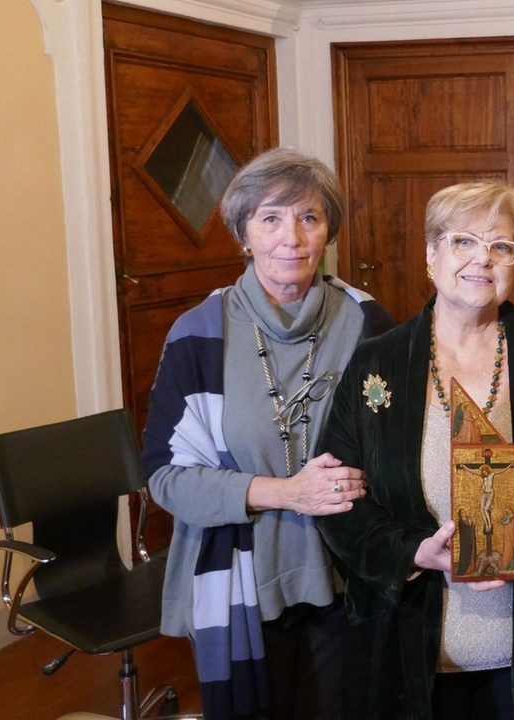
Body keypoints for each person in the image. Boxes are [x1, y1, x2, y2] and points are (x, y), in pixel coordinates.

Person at [316, 181, 514, 719]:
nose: (482, 259)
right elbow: (340, 499)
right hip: (407, 641)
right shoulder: (375, 364)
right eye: (463, 242)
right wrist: (413, 552)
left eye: (502, 246)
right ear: (432, 255)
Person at [141, 147, 394, 719]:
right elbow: (165, 477)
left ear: (329, 230)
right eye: (270, 219)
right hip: (246, 574)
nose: (292, 238)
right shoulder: (200, 335)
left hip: (348, 569)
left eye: (309, 217)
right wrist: (284, 493)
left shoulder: (365, 320)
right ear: (243, 234)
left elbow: (400, 438)